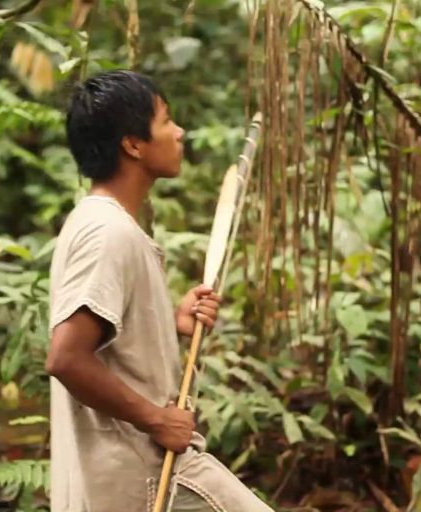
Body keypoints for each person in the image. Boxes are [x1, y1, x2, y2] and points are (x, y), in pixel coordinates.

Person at [45, 70, 274, 512]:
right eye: (166, 121)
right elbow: (66, 357)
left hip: (137, 472)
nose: (179, 131)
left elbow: (106, 343)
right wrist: (156, 419)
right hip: (145, 475)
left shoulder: (100, 223)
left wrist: (169, 325)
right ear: (132, 144)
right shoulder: (106, 231)